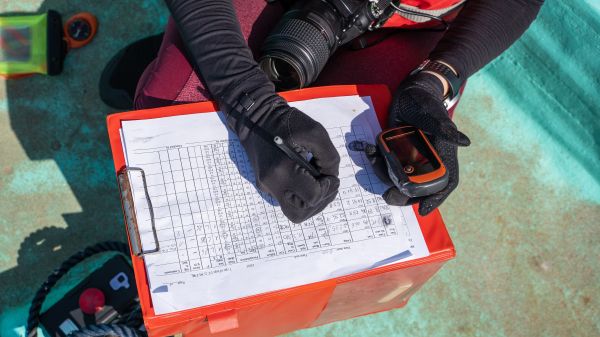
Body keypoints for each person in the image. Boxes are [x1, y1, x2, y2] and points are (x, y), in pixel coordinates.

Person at [101, 0, 544, 223]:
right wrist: (246, 99)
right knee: (172, 109)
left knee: (380, 179)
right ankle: (204, 41)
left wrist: (437, 80)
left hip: (408, 24)